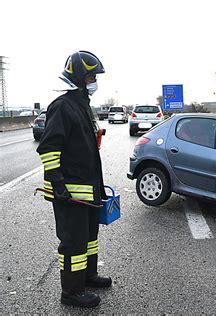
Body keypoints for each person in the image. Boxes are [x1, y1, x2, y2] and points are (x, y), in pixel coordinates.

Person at [36, 51, 111, 307]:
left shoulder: (83, 105)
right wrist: (58, 183)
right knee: (73, 242)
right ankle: (71, 292)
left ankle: (87, 276)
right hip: (69, 192)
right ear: (79, 77)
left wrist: (99, 188)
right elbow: (48, 148)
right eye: (91, 76)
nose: (94, 81)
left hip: (87, 191)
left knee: (90, 236)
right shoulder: (62, 106)